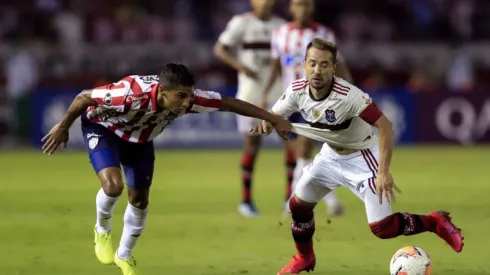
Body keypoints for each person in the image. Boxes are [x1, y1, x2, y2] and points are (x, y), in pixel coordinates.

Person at [41, 63, 292, 275]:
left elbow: (229, 103)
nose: (186, 103)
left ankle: (124, 254)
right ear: (162, 91)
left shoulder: (190, 99)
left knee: (139, 200)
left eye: (189, 95)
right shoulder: (130, 93)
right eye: (181, 96)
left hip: (140, 139)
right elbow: (84, 96)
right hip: (104, 128)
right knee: (113, 185)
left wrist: (273, 117)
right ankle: (102, 230)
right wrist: (63, 126)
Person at [251, 39, 464, 274]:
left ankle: (435, 222)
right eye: (312, 64)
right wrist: (266, 123)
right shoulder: (296, 90)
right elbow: (273, 115)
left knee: (383, 228)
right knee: (298, 206)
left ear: (333, 67)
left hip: (363, 157)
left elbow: (385, 126)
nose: (317, 70)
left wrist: (383, 171)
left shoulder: (349, 95)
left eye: (324, 65)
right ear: (304, 64)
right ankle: (304, 258)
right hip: (330, 157)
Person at [261, 0, 353, 216]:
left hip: (315, 99)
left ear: (312, 8)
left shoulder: (324, 34)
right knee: (299, 156)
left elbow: (339, 65)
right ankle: (330, 200)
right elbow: (276, 65)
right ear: (291, 8)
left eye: (307, 4)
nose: (303, 9)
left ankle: (291, 203)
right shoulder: (280, 34)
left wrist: (350, 92)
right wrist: (265, 92)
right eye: (299, 4)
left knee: (303, 150)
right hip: (289, 99)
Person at [214, 0, 292, 217]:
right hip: (250, 95)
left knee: (291, 145)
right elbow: (220, 49)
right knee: (251, 146)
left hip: (280, 95)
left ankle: (289, 198)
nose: (266, 2)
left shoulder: (282, 26)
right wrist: (240, 66)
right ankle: (246, 201)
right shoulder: (241, 23)